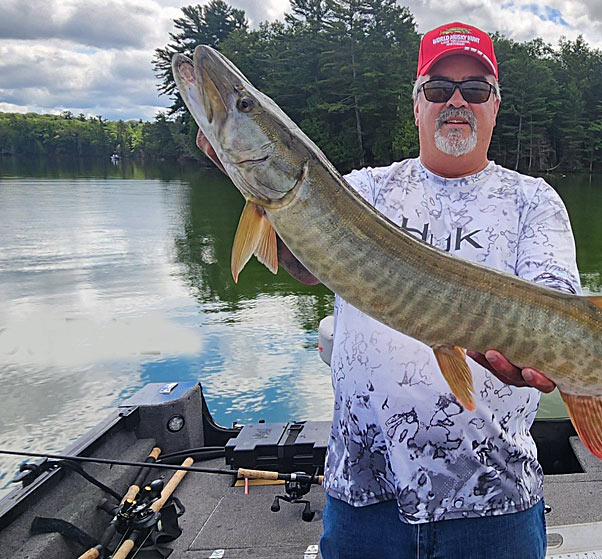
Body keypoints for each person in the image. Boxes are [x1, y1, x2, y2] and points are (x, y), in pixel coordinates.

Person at [199, 21, 581, 559]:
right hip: (364, 497)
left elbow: (556, 300)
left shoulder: (533, 202)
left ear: (495, 106)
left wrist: (549, 359)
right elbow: (306, 265)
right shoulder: (363, 190)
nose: (456, 101)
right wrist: (248, 178)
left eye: (475, 90)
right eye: (438, 88)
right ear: (417, 104)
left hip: (495, 500)